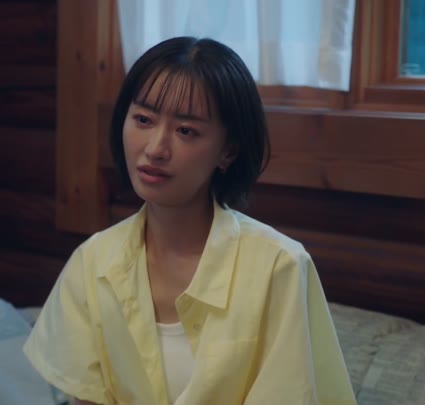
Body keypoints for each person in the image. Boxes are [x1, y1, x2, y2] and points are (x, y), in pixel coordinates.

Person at [24, 36, 356, 405]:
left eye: (186, 130)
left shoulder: (280, 267)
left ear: (228, 151)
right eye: (143, 120)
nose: (155, 149)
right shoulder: (92, 261)